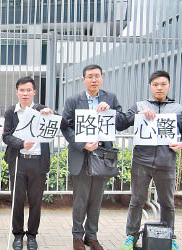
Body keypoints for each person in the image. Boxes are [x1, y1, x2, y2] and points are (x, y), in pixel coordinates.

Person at [120, 70, 182, 250]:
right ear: (150, 87)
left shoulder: (178, 109)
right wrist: (139, 114)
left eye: (163, 84)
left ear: (169, 86)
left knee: (167, 202)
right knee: (137, 200)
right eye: (155, 84)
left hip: (166, 163)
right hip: (141, 162)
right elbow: (121, 123)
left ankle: (170, 236)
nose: (159, 88)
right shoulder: (140, 105)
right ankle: (131, 236)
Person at [61, 65, 125, 250]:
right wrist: (82, 144)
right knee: (80, 199)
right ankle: (77, 237)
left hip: (102, 156)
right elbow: (66, 126)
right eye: (90, 76)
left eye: (97, 76)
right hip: (81, 154)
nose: (94, 80)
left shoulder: (110, 98)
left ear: (102, 78)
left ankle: (92, 236)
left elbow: (120, 122)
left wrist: (110, 110)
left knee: (96, 200)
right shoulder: (73, 100)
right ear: (84, 80)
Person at [2, 76, 54, 250]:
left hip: (38, 162)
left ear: (34, 92)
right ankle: (18, 234)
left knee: (35, 201)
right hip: (18, 161)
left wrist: (50, 114)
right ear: (17, 92)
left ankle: (32, 235)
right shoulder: (11, 111)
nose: (25, 93)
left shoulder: (42, 110)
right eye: (22, 90)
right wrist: (21, 144)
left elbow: (56, 124)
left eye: (28, 90)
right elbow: (6, 136)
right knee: (17, 200)